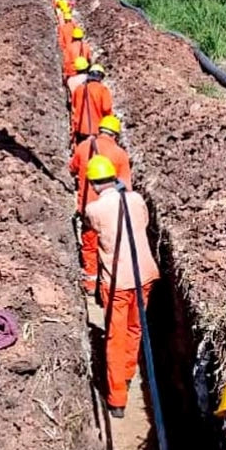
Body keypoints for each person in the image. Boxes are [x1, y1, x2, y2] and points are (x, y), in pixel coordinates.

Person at [83, 155, 159, 418]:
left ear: (93, 183)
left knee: (115, 338)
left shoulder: (94, 210)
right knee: (135, 327)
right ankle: (127, 375)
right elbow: (145, 223)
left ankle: (117, 399)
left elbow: (92, 232)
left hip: (117, 283)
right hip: (145, 275)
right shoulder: (137, 199)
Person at [69, 115, 131, 294]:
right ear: (116, 135)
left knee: (89, 247)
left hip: (87, 208)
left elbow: (72, 168)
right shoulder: (120, 154)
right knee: (110, 249)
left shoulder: (83, 147)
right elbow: (126, 187)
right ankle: (106, 289)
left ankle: (90, 285)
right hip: (111, 212)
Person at [69, 64, 113, 144]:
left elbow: (74, 108)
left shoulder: (79, 89)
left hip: (80, 128)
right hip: (97, 129)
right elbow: (106, 108)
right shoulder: (103, 90)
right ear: (101, 77)